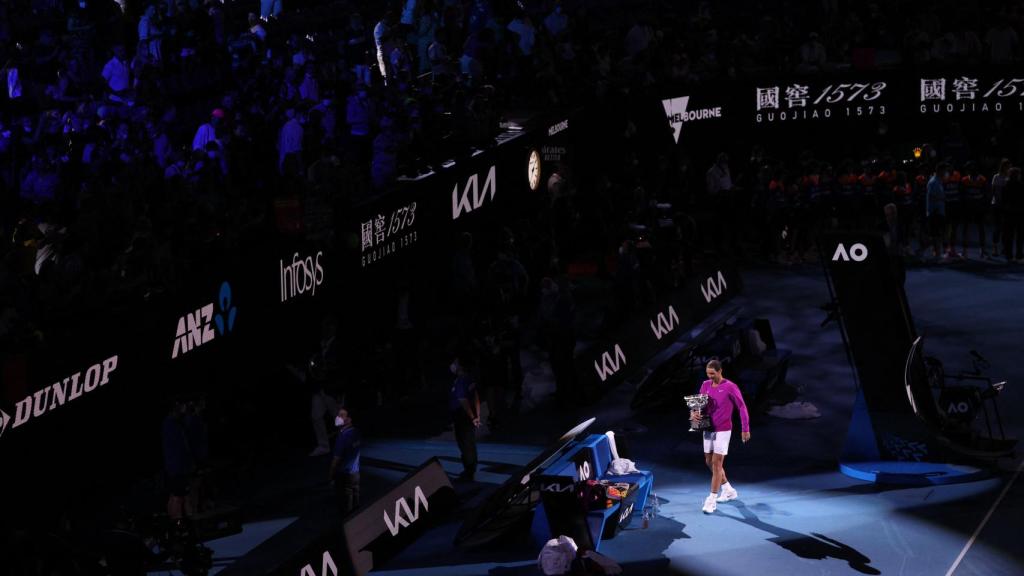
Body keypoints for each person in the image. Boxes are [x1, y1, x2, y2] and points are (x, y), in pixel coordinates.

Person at [691, 359, 750, 514]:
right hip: (707, 427)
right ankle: (728, 489)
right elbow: (698, 405)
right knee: (708, 462)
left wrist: (745, 429)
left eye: (713, 373)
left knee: (717, 463)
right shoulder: (705, 385)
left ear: (720, 371)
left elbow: (742, 407)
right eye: (708, 374)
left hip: (723, 430)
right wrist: (694, 413)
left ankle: (711, 500)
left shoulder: (730, 387)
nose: (710, 377)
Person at [449, 355, 480, 481]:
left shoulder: (461, 380)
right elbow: (476, 397)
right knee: (469, 443)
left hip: (463, 415)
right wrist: (477, 416)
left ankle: (469, 472)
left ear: (460, 366)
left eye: (455, 362)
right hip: (468, 414)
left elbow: (463, 400)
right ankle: (470, 469)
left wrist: (473, 417)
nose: (453, 365)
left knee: (465, 443)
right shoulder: (469, 379)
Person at [329, 407, 361, 517]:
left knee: (346, 505)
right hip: (355, 473)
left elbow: (336, 460)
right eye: (338, 415)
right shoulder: (356, 432)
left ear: (349, 419)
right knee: (356, 500)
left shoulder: (342, 437)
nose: (338, 418)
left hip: (344, 475)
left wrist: (331, 475)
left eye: (342, 415)